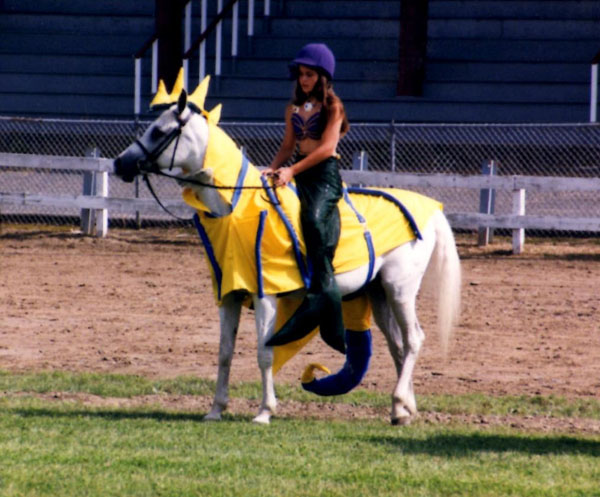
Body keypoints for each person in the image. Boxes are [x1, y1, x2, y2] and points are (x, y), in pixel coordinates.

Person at [264, 43, 349, 354]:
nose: (304, 79)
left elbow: (326, 148)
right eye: (301, 74)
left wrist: (291, 170)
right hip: (297, 171)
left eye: (310, 74)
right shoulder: (292, 109)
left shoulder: (334, 108)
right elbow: (288, 145)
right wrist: (273, 168)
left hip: (324, 175)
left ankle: (323, 290)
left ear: (322, 76)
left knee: (313, 220)